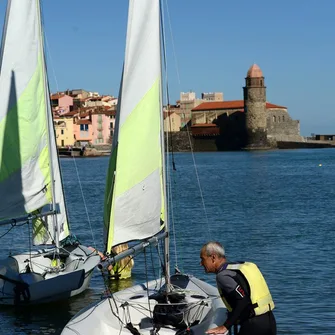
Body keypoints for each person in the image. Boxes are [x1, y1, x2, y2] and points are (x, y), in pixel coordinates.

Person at [200, 241, 276, 335]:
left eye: (202, 259)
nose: (201, 263)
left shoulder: (223, 276)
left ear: (213, 258)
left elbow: (243, 300)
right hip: (270, 321)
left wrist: (225, 326)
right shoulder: (239, 267)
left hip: (254, 326)